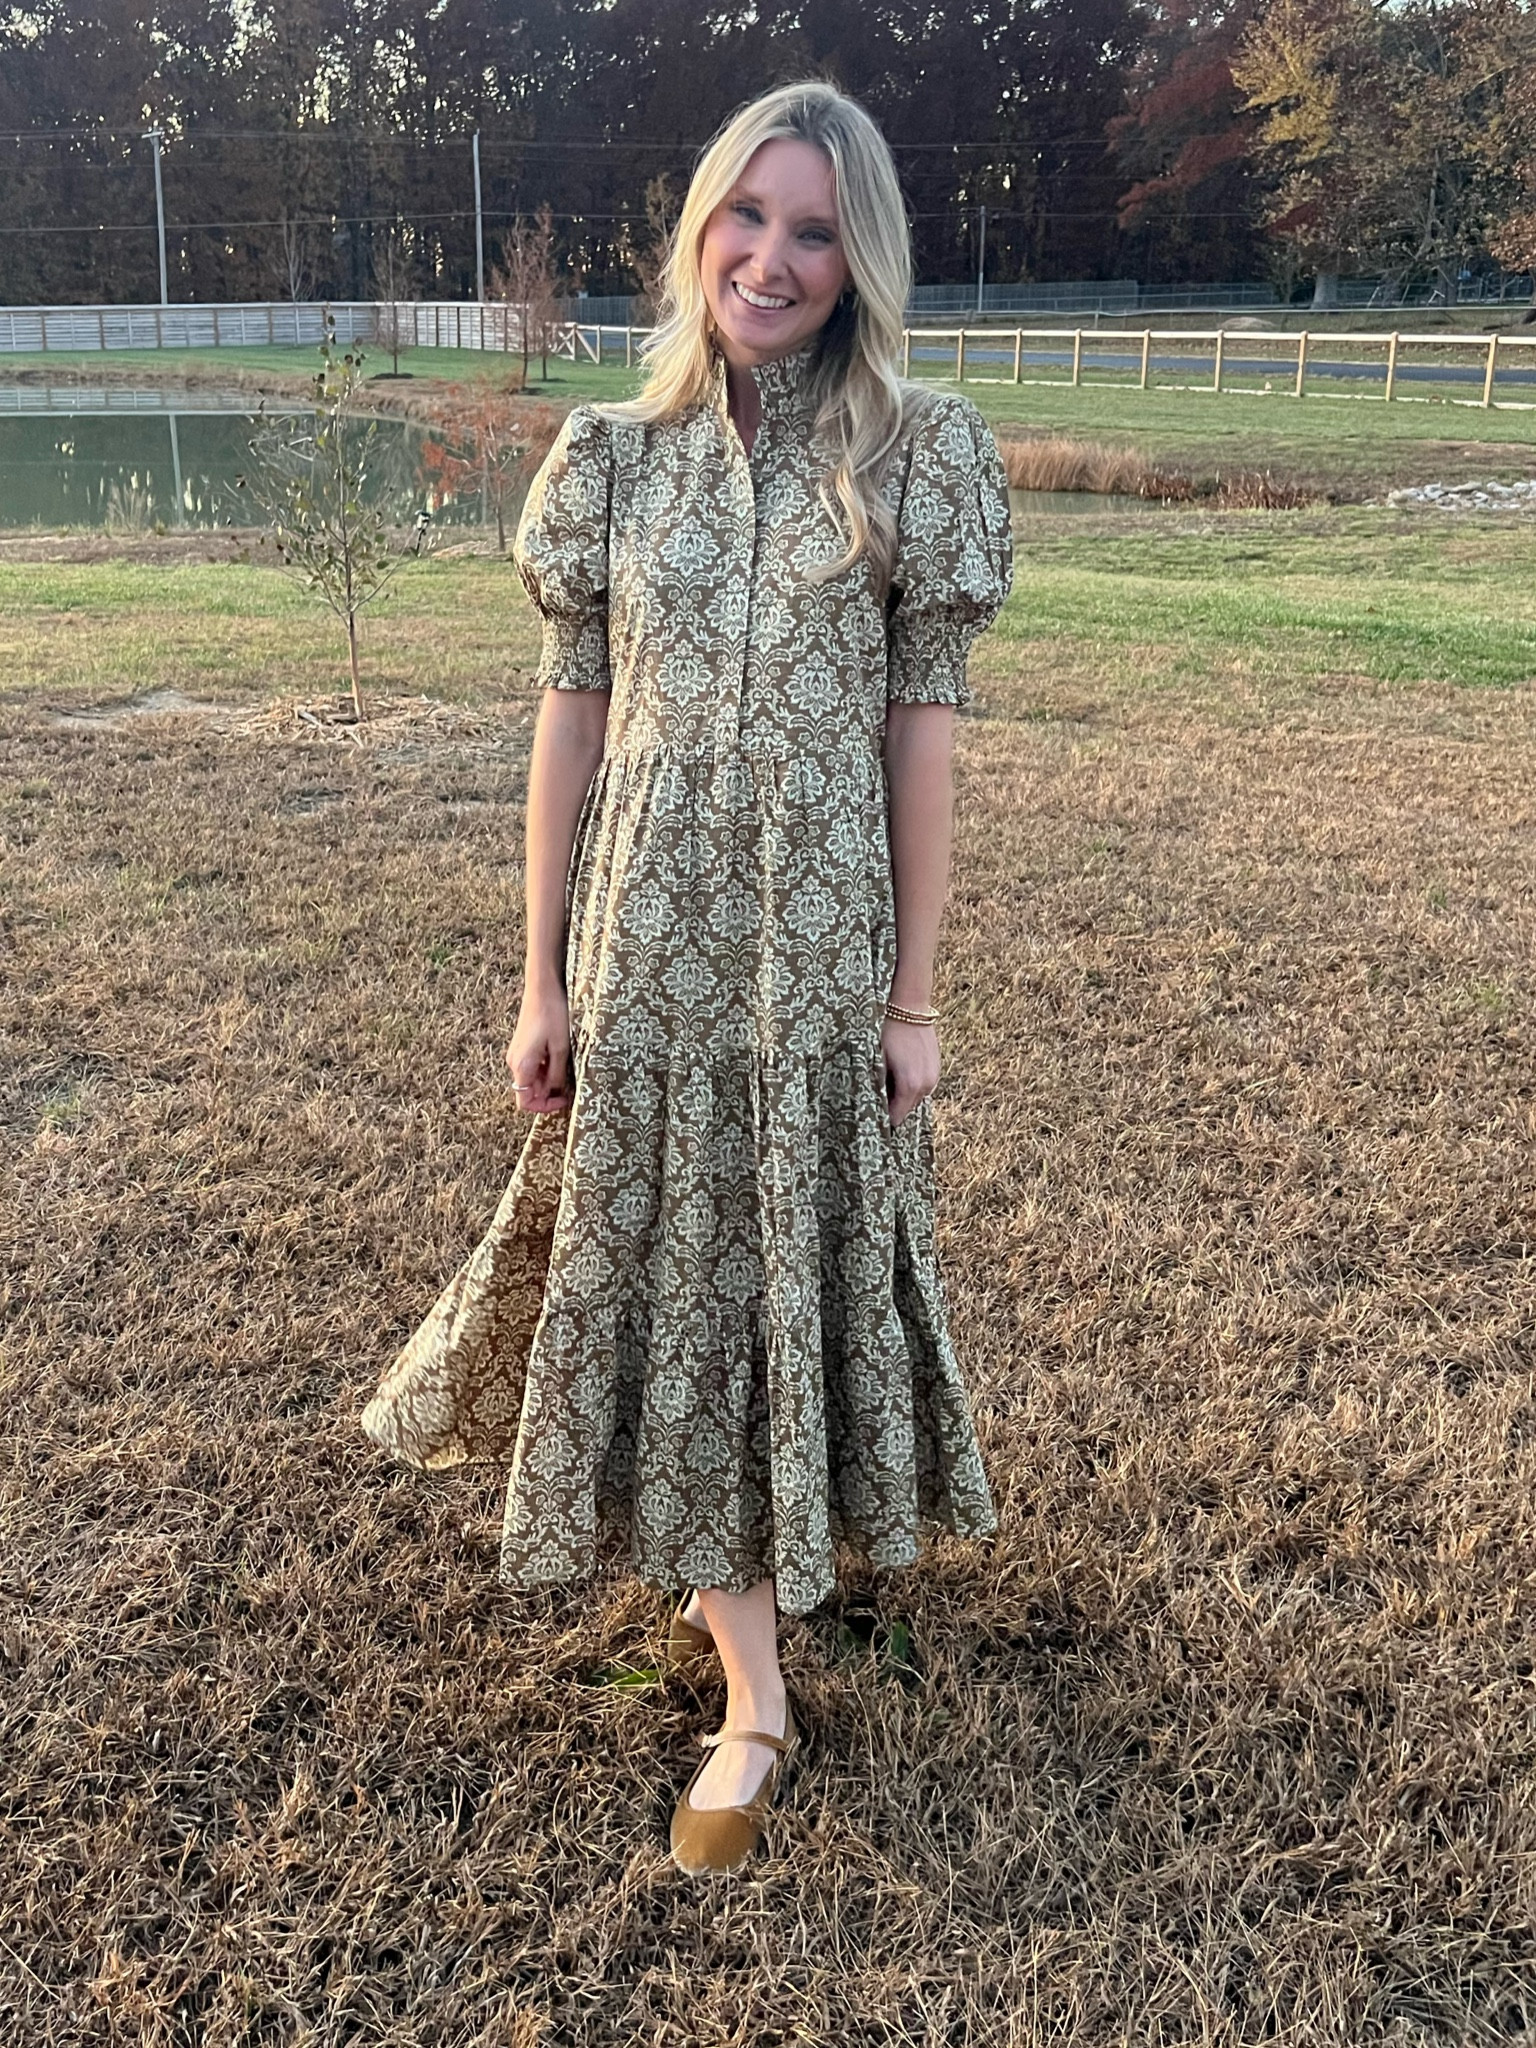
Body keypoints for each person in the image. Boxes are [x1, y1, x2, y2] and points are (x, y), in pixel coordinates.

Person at [360, 78, 1014, 1878]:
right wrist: (539, 976)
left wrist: (914, 997)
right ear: (700, 226)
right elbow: (570, 728)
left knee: (789, 1269)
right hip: (644, 955)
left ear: (858, 255)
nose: (774, 258)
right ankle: (754, 1687)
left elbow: (922, 734)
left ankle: (791, 1587)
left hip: (814, 966)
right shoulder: (610, 458)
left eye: (815, 230)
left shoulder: (914, 453)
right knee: (668, 1272)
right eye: (749, 217)